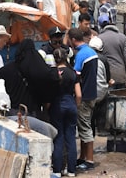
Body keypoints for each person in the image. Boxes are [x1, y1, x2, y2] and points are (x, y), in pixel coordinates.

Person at [70, 27, 99, 173]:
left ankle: (89, 160)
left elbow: (76, 76)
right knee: (84, 126)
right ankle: (82, 157)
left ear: (73, 40)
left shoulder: (81, 55)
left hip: (85, 95)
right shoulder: (91, 52)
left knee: (85, 128)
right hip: (93, 94)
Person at [52, 45, 81, 178]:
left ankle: (57, 171)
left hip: (57, 106)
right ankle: (71, 171)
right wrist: (76, 106)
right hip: (71, 105)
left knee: (58, 138)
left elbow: (49, 94)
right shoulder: (72, 73)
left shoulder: (51, 73)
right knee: (71, 138)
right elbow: (79, 94)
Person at [98, 14, 126, 89]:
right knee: (122, 99)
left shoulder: (99, 38)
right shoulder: (122, 37)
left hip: (108, 77)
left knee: (110, 99)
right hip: (121, 75)